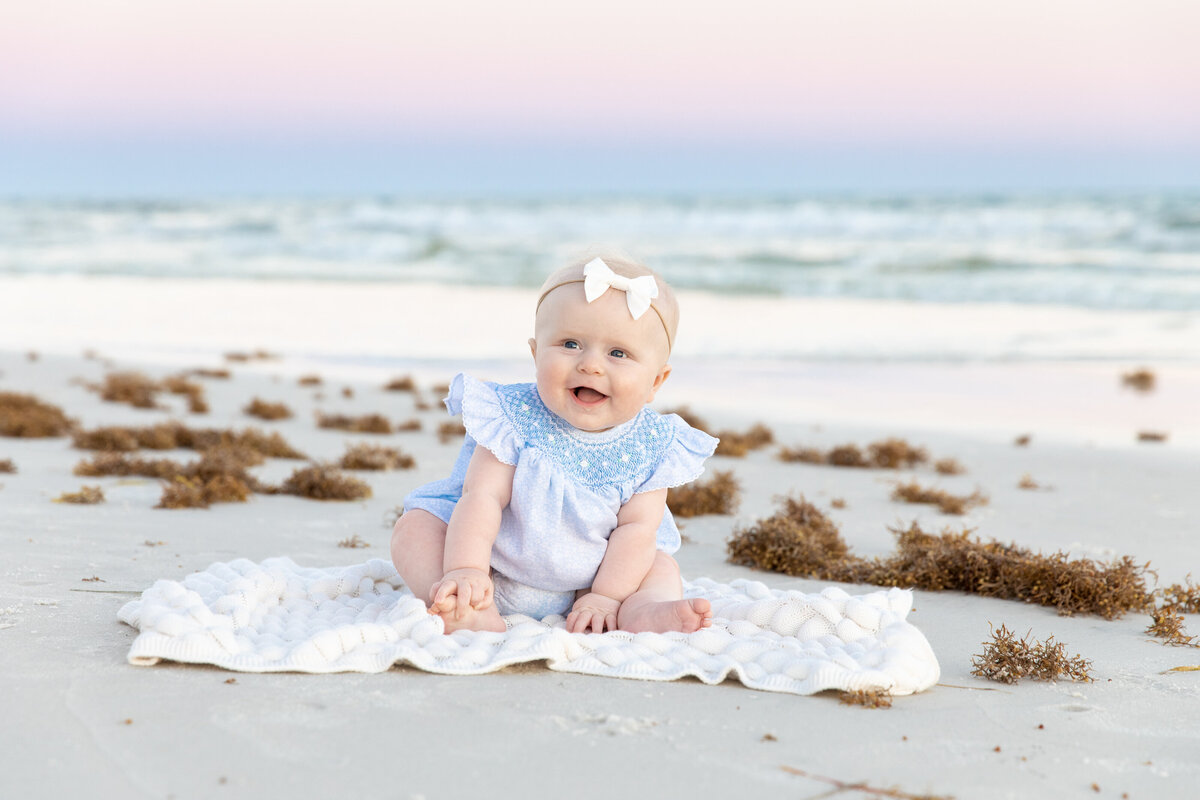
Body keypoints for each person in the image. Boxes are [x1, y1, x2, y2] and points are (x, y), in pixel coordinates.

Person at [391, 254, 717, 635]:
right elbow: (480, 497)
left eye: (617, 353)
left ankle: (642, 610)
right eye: (570, 344)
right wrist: (467, 569)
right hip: (494, 569)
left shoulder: (653, 448)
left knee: (659, 565)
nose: (591, 365)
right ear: (535, 353)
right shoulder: (512, 419)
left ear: (656, 382)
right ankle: (469, 606)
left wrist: (607, 596)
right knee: (414, 529)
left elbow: (637, 531)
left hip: (593, 585)